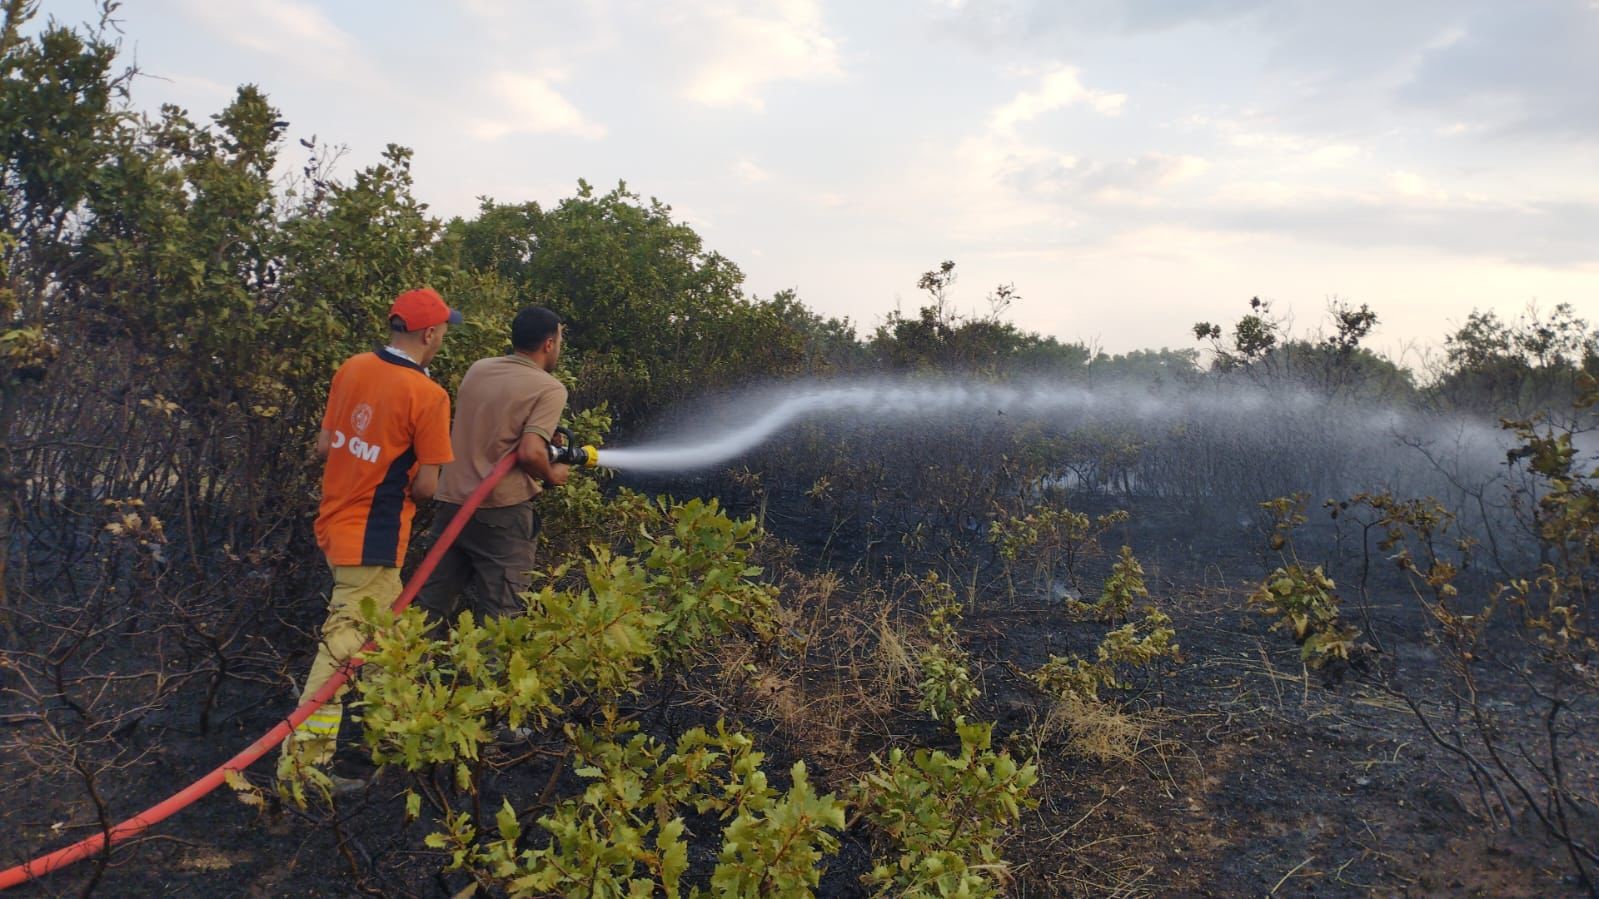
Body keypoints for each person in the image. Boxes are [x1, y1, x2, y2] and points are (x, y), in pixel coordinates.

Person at [278, 287, 460, 785]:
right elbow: (426, 487)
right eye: (443, 327)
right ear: (429, 333)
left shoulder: (353, 366)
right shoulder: (428, 395)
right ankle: (303, 768)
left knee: (390, 640)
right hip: (372, 539)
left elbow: (323, 446)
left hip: (335, 522)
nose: (444, 335)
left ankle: (389, 739)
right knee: (340, 652)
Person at [417, 305, 569, 627]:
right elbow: (529, 453)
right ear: (548, 344)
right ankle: (488, 676)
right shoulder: (550, 387)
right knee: (503, 618)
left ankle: (404, 673)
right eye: (559, 338)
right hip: (501, 511)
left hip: (452, 503)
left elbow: (493, 423)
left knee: (428, 610)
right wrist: (553, 474)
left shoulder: (479, 369)